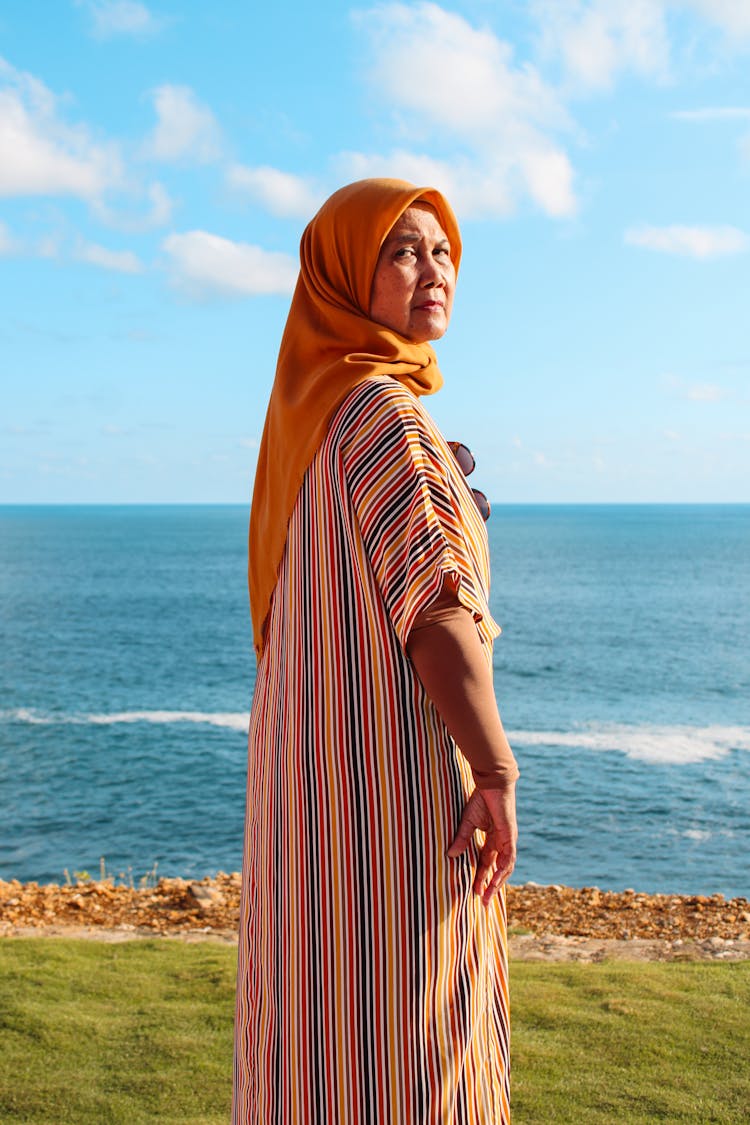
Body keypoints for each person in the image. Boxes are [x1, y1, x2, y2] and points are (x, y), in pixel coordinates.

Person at [234, 178, 519, 1124]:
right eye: (401, 250)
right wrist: (496, 768)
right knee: (411, 1054)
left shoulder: (312, 421)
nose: (431, 271)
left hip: (310, 805)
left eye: (442, 251)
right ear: (350, 275)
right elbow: (435, 611)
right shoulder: (381, 415)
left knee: (319, 1044)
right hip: (387, 814)